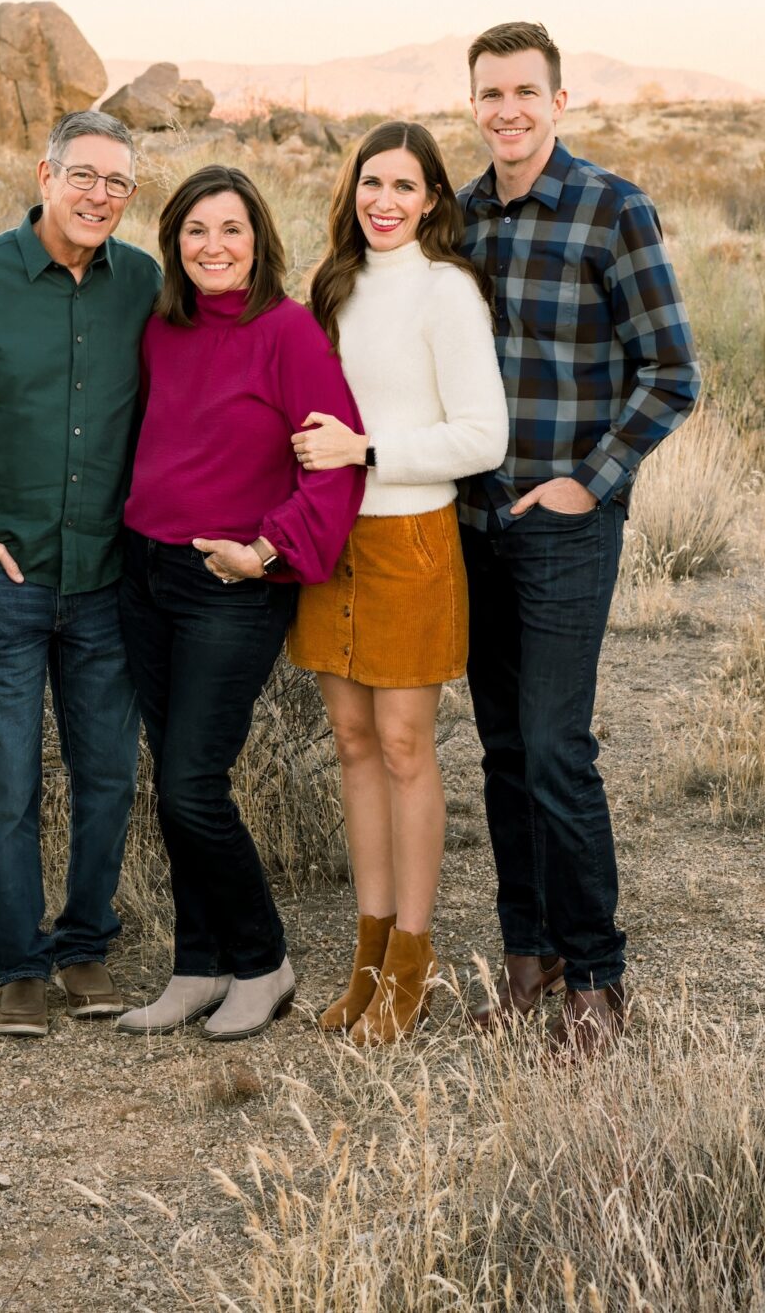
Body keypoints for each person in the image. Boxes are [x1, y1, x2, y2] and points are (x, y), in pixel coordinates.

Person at [456, 22, 699, 1056]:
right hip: (470, 521)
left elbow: (670, 371)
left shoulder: (610, 207)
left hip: (564, 525)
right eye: (489, 93)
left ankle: (598, 975)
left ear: (557, 101)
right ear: (472, 104)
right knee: (503, 750)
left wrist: (587, 483)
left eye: (523, 91)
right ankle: (530, 952)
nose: (506, 109)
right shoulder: (458, 217)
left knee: (557, 748)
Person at [0, 110, 160, 1038]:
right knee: (7, 783)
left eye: (118, 184)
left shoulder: (140, 282)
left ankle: (86, 947)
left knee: (107, 775)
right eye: (84, 177)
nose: (100, 196)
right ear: (46, 174)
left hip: (105, 577)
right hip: (0, 580)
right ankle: (19, 964)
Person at [114, 167, 363, 1041]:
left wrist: (262, 552)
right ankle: (198, 965)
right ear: (174, 243)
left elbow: (333, 465)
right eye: (195, 231)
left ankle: (263, 963)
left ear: (258, 238)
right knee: (170, 775)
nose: (213, 247)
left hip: (231, 583)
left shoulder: (288, 332)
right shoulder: (163, 328)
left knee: (192, 786)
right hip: (144, 575)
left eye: (230, 230)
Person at [288, 122, 507, 1045]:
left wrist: (368, 449)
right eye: (370, 183)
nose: (384, 201)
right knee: (350, 743)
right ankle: (367, 962)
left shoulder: (447, 291)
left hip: (411, 539)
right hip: (329, 540)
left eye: (404, 188)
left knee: (407, 747)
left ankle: (410, 971)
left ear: (431, 201)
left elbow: (482, 437)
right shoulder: (334, 286)